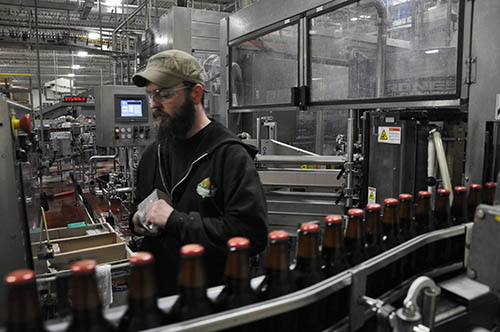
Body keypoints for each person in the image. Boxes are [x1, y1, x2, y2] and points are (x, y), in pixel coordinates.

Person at [130, 49, 268, 296]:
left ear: (195, 94)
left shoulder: (229, 154)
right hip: (159, 296)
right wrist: (137, 221)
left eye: (164, 94)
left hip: (212, 300)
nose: (153, 105)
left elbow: (251, 235)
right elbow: (139, 206)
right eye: (150, 95)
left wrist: (176, 221)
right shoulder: (154, 153)